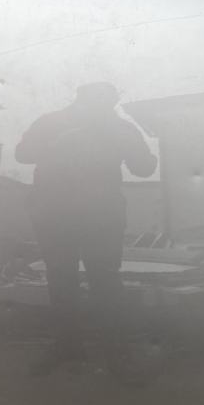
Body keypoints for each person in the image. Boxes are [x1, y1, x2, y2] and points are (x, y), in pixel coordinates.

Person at [16, 83, 157, 366]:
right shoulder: (52, 122)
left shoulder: (120, 128)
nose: (104, 108)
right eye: (98, 102)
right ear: (80, 100)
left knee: (104, 281)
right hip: (57, 213)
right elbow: (22, 154)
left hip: (99, 216)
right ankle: (68, 348)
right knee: (63, 279)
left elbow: (144, 168)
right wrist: (56, 142)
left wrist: (130, 143)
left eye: (108, 103)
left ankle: (115, 352)